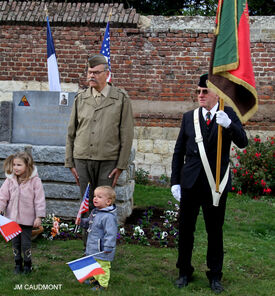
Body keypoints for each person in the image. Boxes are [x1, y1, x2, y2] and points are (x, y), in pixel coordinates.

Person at [171, 74, 248, 293]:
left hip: (216, 184)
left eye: (205, 91)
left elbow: (243, 142)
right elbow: (178, 152)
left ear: (217, 94)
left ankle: (215, 275)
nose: (201, 95)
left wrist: (230, 125)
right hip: (190, 182)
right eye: (198, 92)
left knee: (215, 231)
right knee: (186, 230)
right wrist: (175, 182)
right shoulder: (189, 117)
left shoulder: (227, 113)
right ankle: (184, 271)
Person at [65, 54, 134, 245]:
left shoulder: (120, 99)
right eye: (89, 72)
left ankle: (103, 247)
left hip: (108, 161)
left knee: (104, 205)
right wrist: (70, 161)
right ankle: (88, 246)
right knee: (86, 204)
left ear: (107, 74)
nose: (91, 76)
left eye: (96, 72)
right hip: (82, 160)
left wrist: (121, 165)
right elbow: (71, 131)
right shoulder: (81, 98)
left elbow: (126, 134)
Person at [0, 151, 46, 274]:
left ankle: (27, 265)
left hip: (27, 220)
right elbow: (3, 196)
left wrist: (39, 216)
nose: (15, 167)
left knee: (25, 244)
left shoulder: (35, 181)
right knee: (15, 243)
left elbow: (39, 200)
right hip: (12, 220)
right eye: (14, 164)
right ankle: (17, 264)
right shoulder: (10, 180)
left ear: (28, 166)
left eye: (19, 165)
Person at [78, 185, 117, 291]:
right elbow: (91, 223)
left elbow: (111, 233)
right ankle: (96, 279)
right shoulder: (96, 212)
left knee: (102, 266)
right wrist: (82, 222)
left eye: (99, 197)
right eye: (95, 196)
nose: (95, 198)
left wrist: (108, 246)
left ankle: (103, 285)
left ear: (108, 202)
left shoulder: (108, 217)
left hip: (102, 248)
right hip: (93, 246)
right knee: (94, 264)